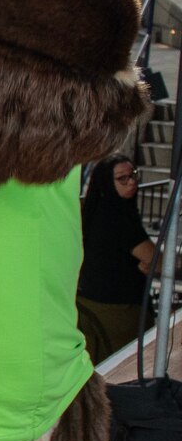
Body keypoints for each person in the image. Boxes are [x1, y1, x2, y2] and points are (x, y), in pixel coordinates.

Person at [77, 154, 154, 363]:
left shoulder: (100, 210)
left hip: (94, 299)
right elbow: (156, 259)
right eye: (122, 178)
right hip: (115, 307)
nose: (132, 182)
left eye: (133, 175)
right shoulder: (116, 216)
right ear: (107, 183)